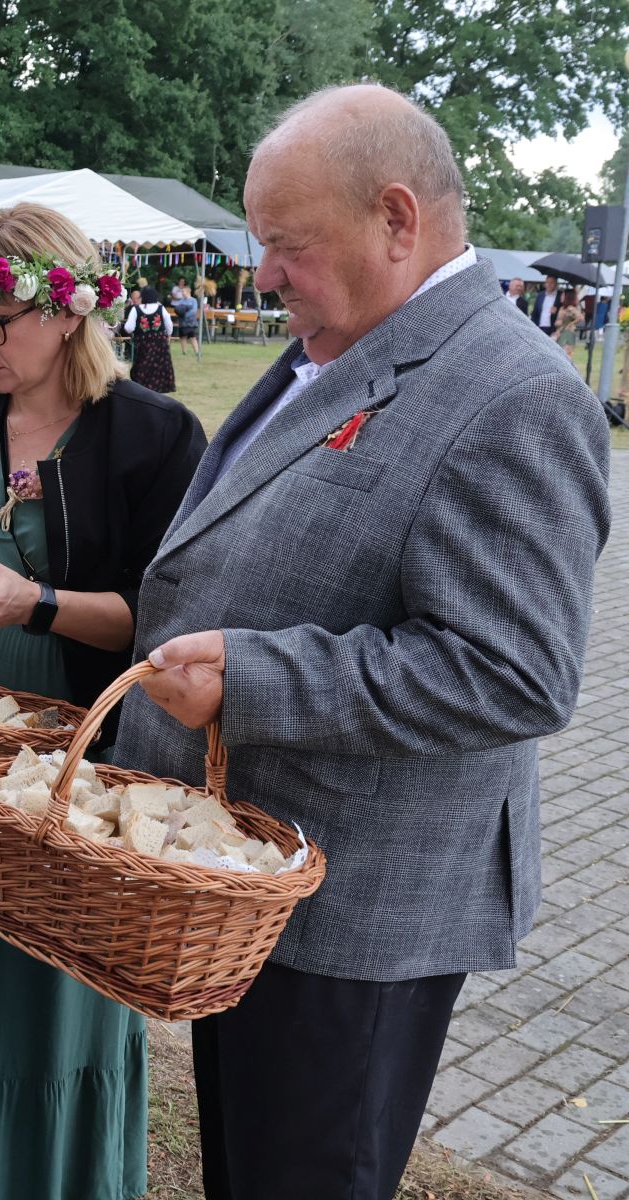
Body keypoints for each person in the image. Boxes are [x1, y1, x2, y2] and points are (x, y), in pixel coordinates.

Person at [117, 84, 609, 1200]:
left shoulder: (512, 396)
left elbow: (513, 674)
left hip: (359, 913)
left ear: (398, 218)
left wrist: (256, 676)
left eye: (287, 244)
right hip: (261, 885)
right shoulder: (350, 338)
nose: (262, 276)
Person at [0, 203, 204, 1200]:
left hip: (67, 760)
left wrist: (41, 604)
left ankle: (43, 1175)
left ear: (68, 313)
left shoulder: (152, 435)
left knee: (48, 972)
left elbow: (161, 618)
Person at [123, 285, 176, 393]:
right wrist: (168, 335)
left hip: (143, 344)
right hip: (160, 343)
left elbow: (128, 328)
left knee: (142, 366)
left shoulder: (136, 309)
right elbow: (169, 325)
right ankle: (158, 389)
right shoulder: (161, 309)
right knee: (159, 366)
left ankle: (142, 390)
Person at [170, 279, 201, 357]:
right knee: (182, 337)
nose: (182, 293)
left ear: (187, 292)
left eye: (183, 292)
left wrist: (184, 315)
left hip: (191, 322)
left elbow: (193, 311)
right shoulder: (181, 301)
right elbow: (178, 309)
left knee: (192, 337)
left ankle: (197, 352)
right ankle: (184, 351)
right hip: (182, 322)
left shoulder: (193, 301)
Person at [555, 288, 583, 359]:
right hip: (560, 333)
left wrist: (571, 323)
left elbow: (581, 318)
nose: (561, 296)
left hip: (568, 333)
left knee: (566, 355)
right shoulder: (562, 308)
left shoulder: (571, 309)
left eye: (563, 295)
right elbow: (557, 322)